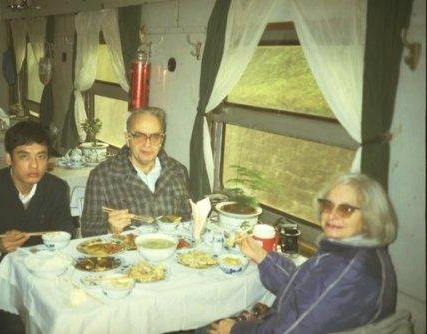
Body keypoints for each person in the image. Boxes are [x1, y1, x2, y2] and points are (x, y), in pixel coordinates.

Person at [209, 173, 397, 334]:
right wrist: (263, 257)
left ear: (369, 216)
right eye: (328, 205)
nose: (332, 215)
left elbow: (287, 331)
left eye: (346, 209)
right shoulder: (353, 252)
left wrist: (235, 329)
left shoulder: (348, 268)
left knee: (209, 324)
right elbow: (302, 289)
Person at [0, 121, 74, 333]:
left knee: (71, 313)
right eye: (24, 156)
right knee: (16, 324)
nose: (34, 166)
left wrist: (59, 238)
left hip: (44, 274)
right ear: (8, 158)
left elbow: (66, 231)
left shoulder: (56, 188)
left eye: (41, 156)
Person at [81, 107, 191, 237]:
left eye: (155, 137)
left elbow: (187, 220)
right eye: (139, 136)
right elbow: (88, 231)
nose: (147, 144)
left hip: (169, 251)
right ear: (127, 138)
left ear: (162, 139)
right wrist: (110, 229)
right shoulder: (102, 175)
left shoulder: (177, 171)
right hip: (126, 253)